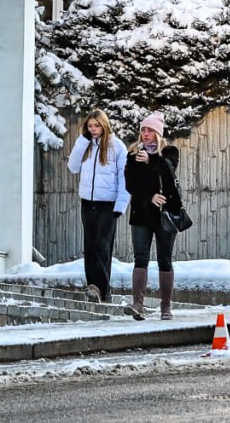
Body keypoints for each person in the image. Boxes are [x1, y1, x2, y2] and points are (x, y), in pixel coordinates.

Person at [123, 112, 183, 320]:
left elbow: (168, 176)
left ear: (158, 133)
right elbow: (130, 184)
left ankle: (166, 307)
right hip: (141, 213)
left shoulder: (169, 153)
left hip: (165, 214)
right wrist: (149, 197)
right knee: (140, 258)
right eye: (143, 130)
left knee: (165, 260)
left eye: (150, 130)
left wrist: (151, 160)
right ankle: (137, 304)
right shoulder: (133, 154)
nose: (146, 133)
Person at [66, 109, 129, 303]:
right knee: (90, 244)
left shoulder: (117, 147)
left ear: (104, 125)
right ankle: (93, 287)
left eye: (97, 126)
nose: (93, 129)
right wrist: (81, 142)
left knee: (103, 244)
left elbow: (124, 178)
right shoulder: (85, 145)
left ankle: (101, 289)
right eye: (90, 126)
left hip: (108, 203)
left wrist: (121, 205)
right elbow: (73, 167)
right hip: (88, 202)